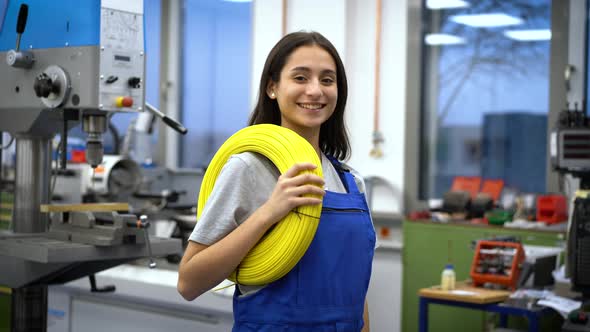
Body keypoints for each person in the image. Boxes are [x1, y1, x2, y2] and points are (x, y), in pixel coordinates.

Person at [178, 31, 376, 332]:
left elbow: (355, 290)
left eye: (327, 80)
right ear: (273, 87)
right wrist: (270, 212)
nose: (315, 91)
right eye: (300, 78)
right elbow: (189, 283)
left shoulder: (350, 181)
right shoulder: (247, 168)